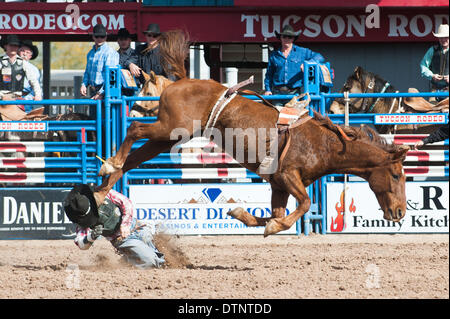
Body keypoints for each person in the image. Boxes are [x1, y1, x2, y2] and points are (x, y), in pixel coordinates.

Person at [63, 184, 165, 269]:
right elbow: (81, 243)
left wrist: (125, 224)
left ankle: (130, 259)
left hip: (137, 226)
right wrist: (91, 236)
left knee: (156, 252)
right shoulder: (82, 222)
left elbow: (126, 202)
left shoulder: (102, 193)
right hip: (122, 240)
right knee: (151, 261)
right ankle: (131, 261)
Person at [263, 24, 325, 102]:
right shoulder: (274, 55)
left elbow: (319, 57)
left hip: (294, 93)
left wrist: (307, 64)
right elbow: (269, 75)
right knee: (278, 113)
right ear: (280, 38)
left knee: (294, 114)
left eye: (290, 37)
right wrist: (268, 90)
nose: (287, 39)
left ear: (293, 39)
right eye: (284, 36)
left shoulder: (302, 52)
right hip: (277, 93)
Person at [0, 35, 42, 114]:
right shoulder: (1, 62)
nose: (13, 48)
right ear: (5, 46)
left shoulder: (23, 63)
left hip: (18, 100)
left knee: (20, 123)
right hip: (2, 100)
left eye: (15, 46)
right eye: (11, 45)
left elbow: (33, 81)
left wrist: (38, 95)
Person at [81, 23, 120, 102]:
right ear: (93, 37)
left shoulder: (110, 52)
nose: (99, 39)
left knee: (103, 114)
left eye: (102, 36)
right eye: (97, 36)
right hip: (93, 91)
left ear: (105, 37)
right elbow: (87, 72)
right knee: (93, 114)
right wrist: (84, 84)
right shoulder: (90, 53)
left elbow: (111, 77)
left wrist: (101, 93)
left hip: (106, 94)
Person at [420, 23, 449, 102]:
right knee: (431, 111)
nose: (443, 40)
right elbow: (423, 65)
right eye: (441, 38)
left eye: (446, 37)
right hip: (435, 90)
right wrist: (432, 75)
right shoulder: (432, 50)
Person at [18, 40, 41, 112]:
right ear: (18, 52)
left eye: (27, 52)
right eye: (22, 51)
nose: (24, 54)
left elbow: (36, 87)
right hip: (10, 99)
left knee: (26, 121)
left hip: (26, 101)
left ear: (30, 56)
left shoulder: (34, 70)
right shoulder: (10, 65)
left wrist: (25, 99)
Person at [116, 28, 139, 96]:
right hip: (119, 90)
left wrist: (129, 64)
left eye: (125, 39)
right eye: (121, 39)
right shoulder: (114, 55)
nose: (123, 42)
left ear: (130, 40)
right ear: (118, 41)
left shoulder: (136, 53)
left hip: (133, 91)